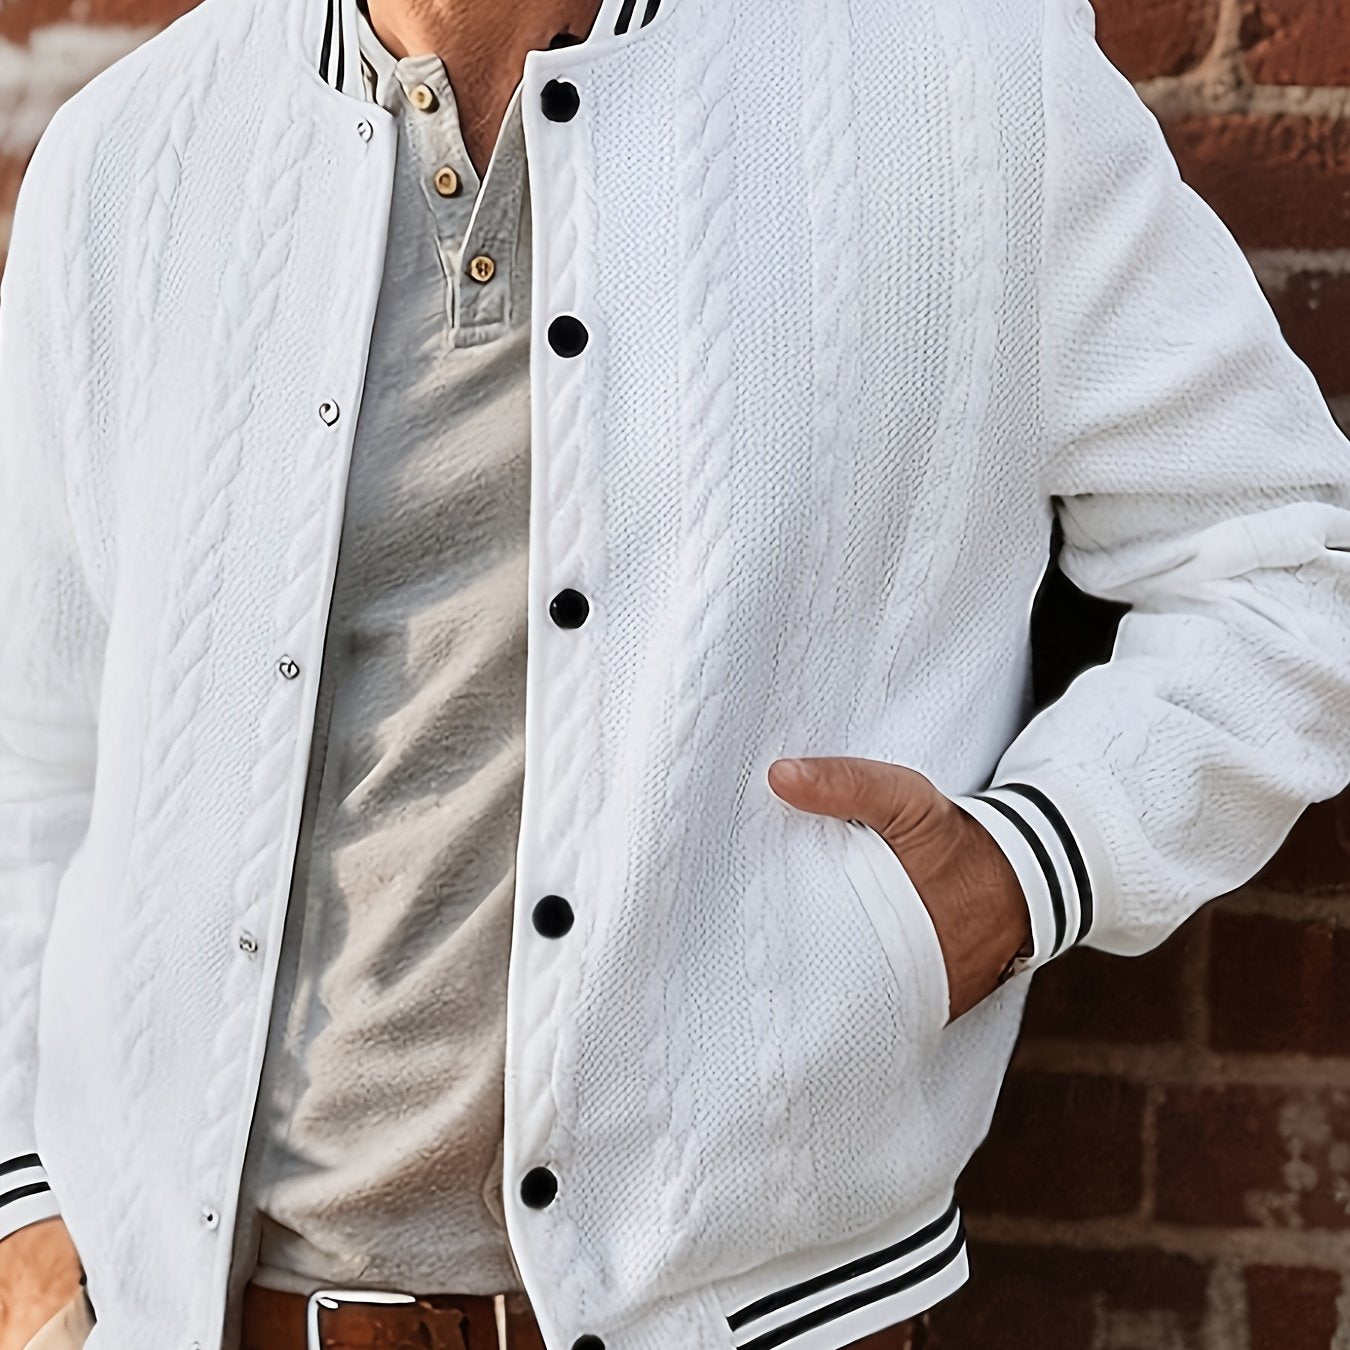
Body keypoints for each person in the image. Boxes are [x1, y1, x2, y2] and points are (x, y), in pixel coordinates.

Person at [4, 0, 1350, 1345]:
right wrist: (23, 1218)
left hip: (756, 1314)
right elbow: (29, 746)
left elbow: (1288, 559)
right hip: (183, 1314)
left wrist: (1024, 870)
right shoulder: (132, 152)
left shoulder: (966, 81)